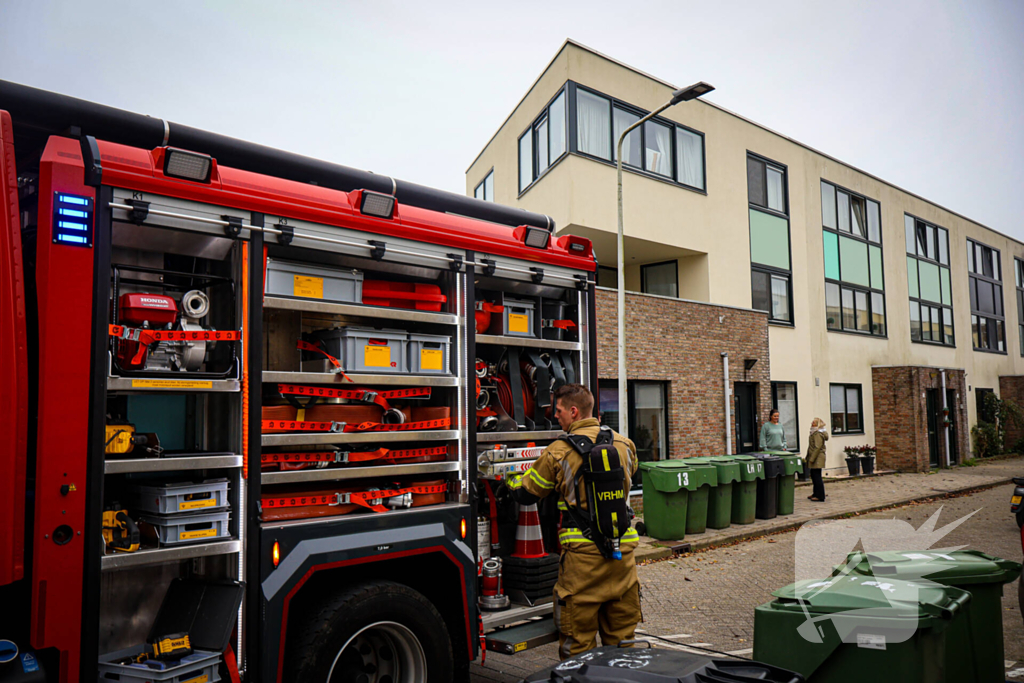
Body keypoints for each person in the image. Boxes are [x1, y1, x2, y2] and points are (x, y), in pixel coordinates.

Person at [505, 383, 640, 659]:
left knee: (578, 649)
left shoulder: (558, 451)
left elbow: (528, 492)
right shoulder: (625, 445)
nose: (556, 416)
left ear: (574, 411)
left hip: (582, 564)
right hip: (623, 559)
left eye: (559, 411)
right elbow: (630, 476)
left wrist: (509, 480)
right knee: (623, 647)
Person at [806, 417, 829, 502]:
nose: (812, 423)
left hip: (818, 457)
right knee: (814, 475)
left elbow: (817, 447)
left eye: (814, 422)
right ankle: (815, 493)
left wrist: (812, 459)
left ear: (817, 424)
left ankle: (820, 495)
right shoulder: (814, 433)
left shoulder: (818, 434)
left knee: (817, 476)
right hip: (815, 456)